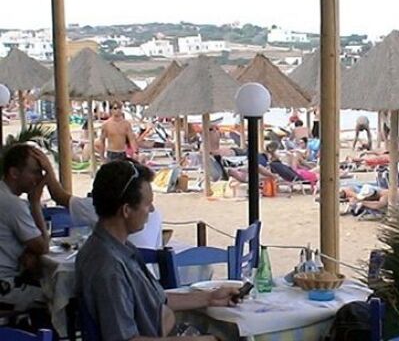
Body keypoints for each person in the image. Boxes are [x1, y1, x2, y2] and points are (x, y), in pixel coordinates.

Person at [76, 160, 240, 340]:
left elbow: (155, 299)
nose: (152, 209)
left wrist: (211, 298)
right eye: (147, 204)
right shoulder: (109, 267)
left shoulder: (119, 247)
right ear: (126, 210)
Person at [0, 144, 50, 311]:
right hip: (5, 286)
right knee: (56, 301)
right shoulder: (12, 204)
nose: (38, 178)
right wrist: (35, 202)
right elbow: (43, 247)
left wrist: (28, 251)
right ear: (14, 173)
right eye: (34, 172)